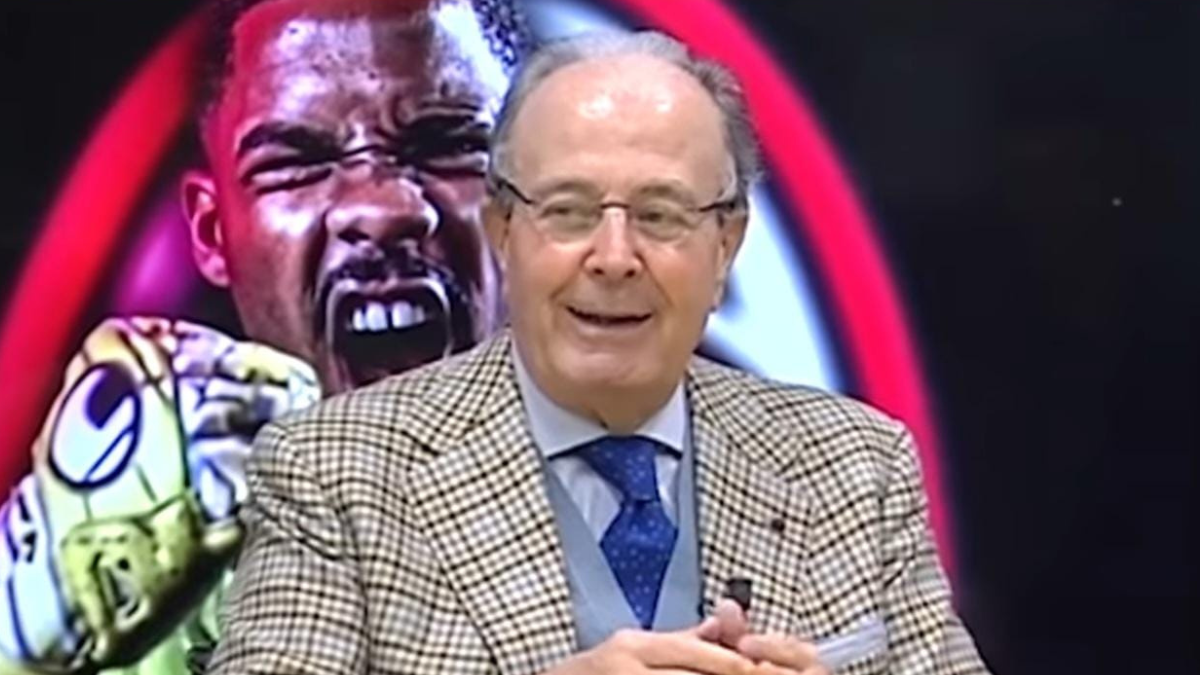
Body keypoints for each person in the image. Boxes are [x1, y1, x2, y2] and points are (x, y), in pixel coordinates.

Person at [209, 29, 990, 675]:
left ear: (726, 244)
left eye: (661, 214)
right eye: (570, 211)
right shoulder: (333, 471)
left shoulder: (856, 465)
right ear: (504, 231)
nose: (614, 258)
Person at [0, 0, 530, 673]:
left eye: (446, 146)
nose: (381, 208)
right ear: (211, 232)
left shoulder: (645, 527)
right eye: (298, 164)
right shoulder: (140, 566)